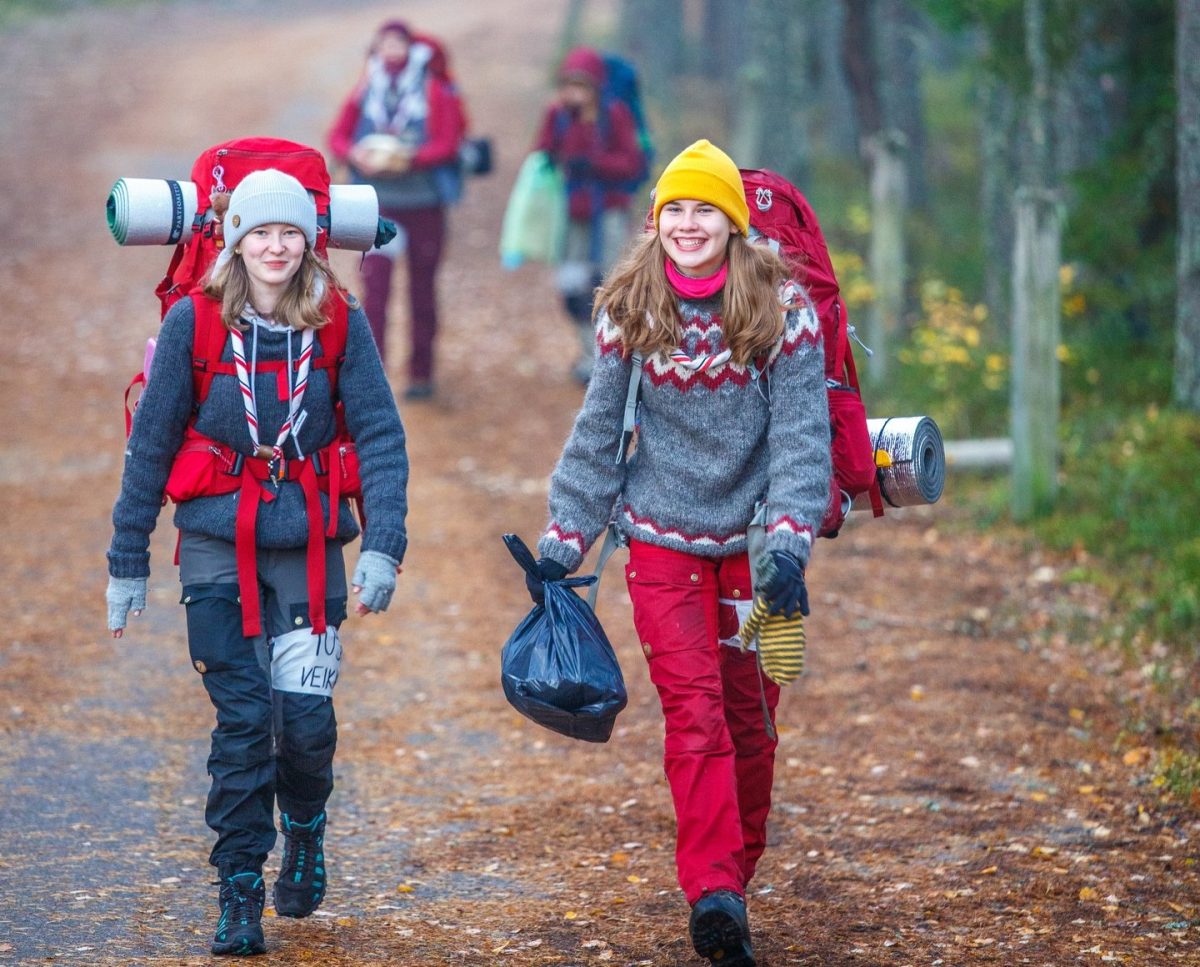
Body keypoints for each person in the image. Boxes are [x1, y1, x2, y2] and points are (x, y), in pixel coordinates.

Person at [525, 140, 831, 967]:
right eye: (674, 210)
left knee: (750, 722)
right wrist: (565, 536)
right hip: (660, 541)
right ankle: (712, 892)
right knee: (693, 716)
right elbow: (597, 435)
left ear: (731, 223)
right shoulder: (631, 305)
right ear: (656, 220)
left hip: (758, 551)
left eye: (705, 210)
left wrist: (789, 545)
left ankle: (735, 872)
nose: (688, 224)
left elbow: (803, 444)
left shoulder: (783, 311)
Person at [105, 169, 409, 956]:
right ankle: (238, 888)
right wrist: (127, 560)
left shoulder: (339, 320)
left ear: (310, 242)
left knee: (303, 726)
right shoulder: (195, 324)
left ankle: (305, 825)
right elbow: (151, 445)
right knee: (242, 726)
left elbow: (379, 434)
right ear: (234, 239)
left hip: (308, 548)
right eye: (259, 233)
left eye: (290, 233)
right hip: (215, 543)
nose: (275, 247)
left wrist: (383, 545)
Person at [328, 19, 466, 400]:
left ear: (411, 47)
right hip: (377, 207)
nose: (390, 50)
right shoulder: (366, 86)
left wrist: (408, 158)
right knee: (375, 290)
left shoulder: (433, 89)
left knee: (422, 289)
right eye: (383, 43)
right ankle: (375, 378)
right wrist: (354, 153)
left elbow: (448, 143)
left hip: (424, 205)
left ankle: (421, 374)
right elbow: (338, 136)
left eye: (398, 43)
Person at [532, 45, 645, 384]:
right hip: (569, 214)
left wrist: (594, 165)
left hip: (607, 213)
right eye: (570, 85)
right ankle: (588, 354)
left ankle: (607, 360)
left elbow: (632, 162)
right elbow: (542, 154)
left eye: (582, 86)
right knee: (572, 289)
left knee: (606, 287)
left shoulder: (616, 114)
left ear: (595, 87)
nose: (575, 93)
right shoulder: (558, 116)